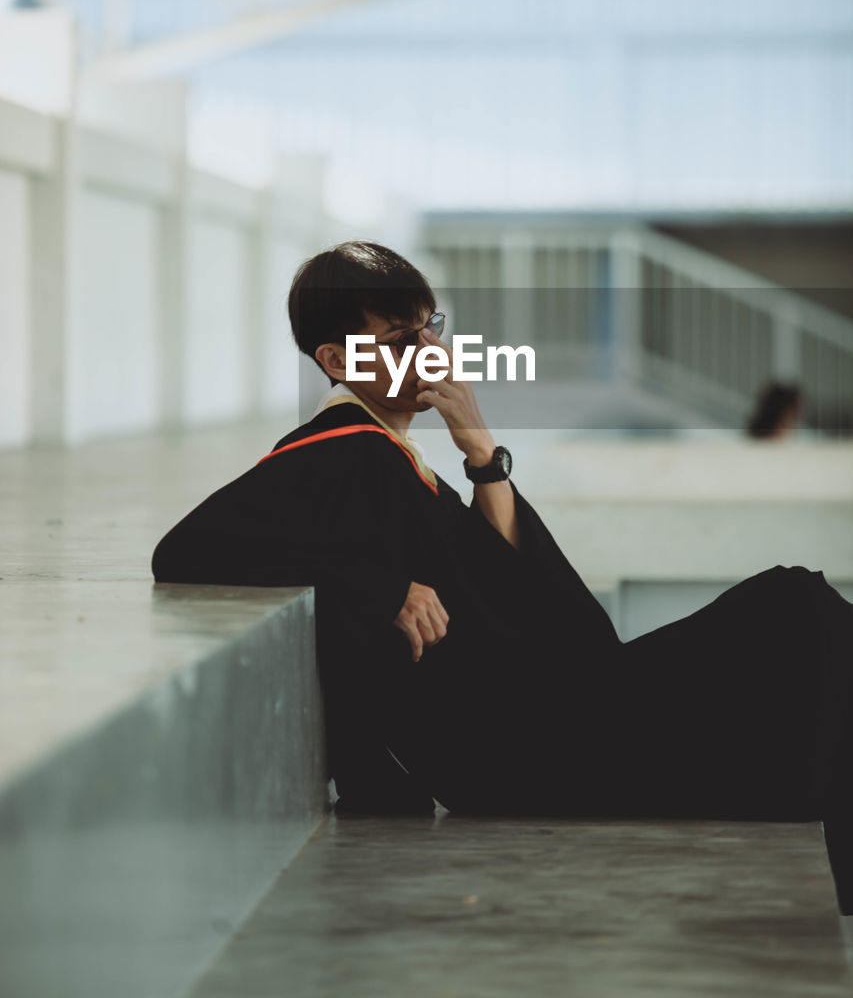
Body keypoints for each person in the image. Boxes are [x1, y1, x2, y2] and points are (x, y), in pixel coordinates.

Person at [150, 241, 853, 912]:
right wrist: (373, 588)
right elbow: (187, 547)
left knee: (797, 622)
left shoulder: (396, 456)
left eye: (431, 328)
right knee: (794, 612)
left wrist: (479, 451)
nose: (430, 352)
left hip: (547, 716)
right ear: (336, 357)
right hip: (517, 748)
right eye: (401, 339)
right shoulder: (341, 450)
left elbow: (502, 576)